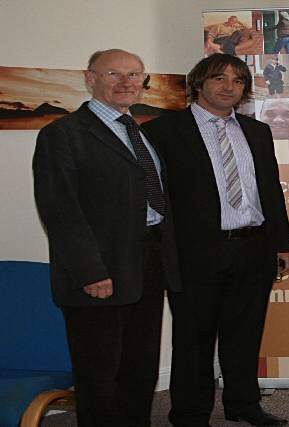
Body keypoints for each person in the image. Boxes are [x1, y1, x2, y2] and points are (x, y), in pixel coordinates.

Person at [32, 48, 182, 426]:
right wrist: (90, 272)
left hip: (149, 264)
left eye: (134, 75)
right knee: (100, 375)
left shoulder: (142, 132)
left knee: (140, 367)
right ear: (90, 78)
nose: (126, 82)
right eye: (114, 73)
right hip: (99, 271)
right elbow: (61, 211)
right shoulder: (62, 134)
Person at [143, 53, 289, 427]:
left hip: (253, 247)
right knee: (193, 339)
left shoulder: (256, 131)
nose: (229, 86)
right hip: (195, 253)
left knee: (244, 334)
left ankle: (244, 406)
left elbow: (270, 192)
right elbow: (154, 197)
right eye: (219, 78)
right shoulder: (163, 131)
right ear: (198, 83)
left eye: (238, 81)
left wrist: (282, 243)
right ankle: (190, 413)